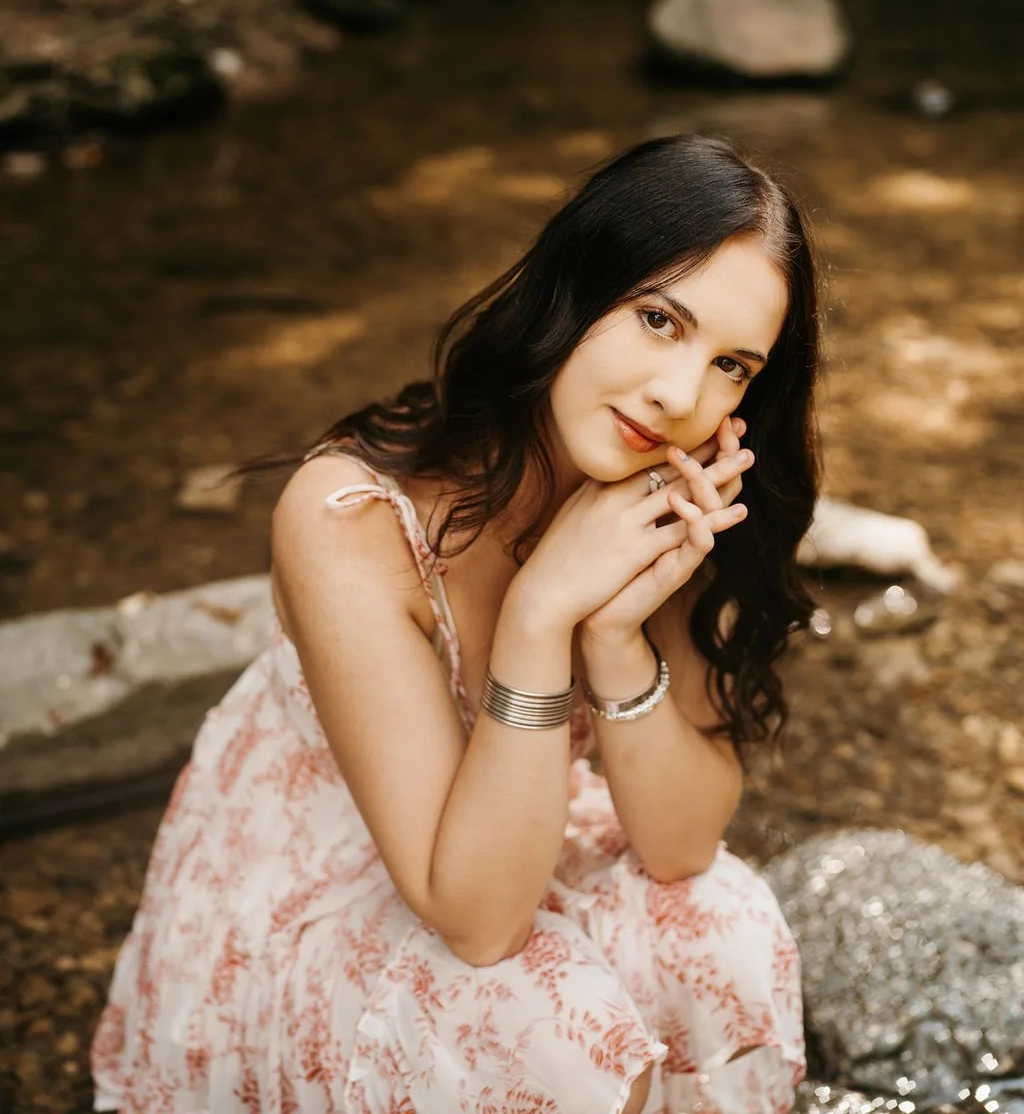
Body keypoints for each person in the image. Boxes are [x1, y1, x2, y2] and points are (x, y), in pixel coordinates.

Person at [92, 133, 820, 1114]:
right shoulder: (350, 517)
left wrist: (612, 636)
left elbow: (679, 846)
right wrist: (537, 615)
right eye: (656, 319)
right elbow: (475, 921)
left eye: (731, 364)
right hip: (331, 888)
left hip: (512, 830)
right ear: (573, 288)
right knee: (547, 1036)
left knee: (716, 925)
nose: (680, 396)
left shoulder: (651, 501)